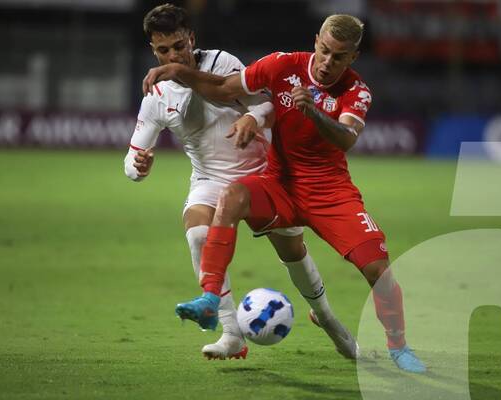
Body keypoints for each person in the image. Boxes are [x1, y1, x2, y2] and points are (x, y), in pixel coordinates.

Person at [142, 14, 427, 372]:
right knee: (231, 197)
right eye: (324, 51)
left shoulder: (357, 90)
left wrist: (313, 113)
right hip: (280, 184)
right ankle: (211, 298)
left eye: (338, 57)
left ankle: (399, 347)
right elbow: (224, 88)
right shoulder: (282, 65)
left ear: (352, 57)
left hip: (330, 194)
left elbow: (347, 138)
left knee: (379, 270)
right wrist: (178, 72)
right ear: (315, 41)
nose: (327, 63)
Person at [125, 4, 359, 361]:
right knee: (197, 233)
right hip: (209, 179)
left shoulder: (221, 63)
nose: (173, 55)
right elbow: (132, 158)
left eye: (178, 46)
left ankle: (327, 317)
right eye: (163, 50)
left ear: (192, 38)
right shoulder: (155, 96)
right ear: (153, 51)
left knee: (292, 254)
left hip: (262, 172)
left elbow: (269, 102)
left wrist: (252, 117)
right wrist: (138, 165)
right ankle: (232, 333)